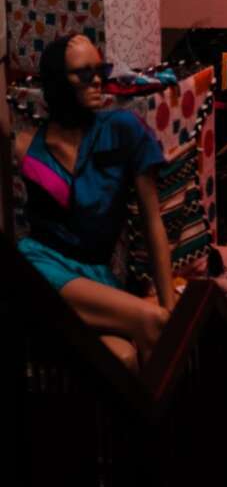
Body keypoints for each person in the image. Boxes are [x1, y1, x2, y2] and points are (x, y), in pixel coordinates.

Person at [1, 34, 174, 371]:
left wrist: (169, 308)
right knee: (152, 322)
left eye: (101, 70)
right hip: (41, 267)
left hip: (95, 275)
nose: (97, 80)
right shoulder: (28, 145)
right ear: (58, 82)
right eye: (84, 73)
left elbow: (153, 221)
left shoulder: (123, 129)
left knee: (125, 357)